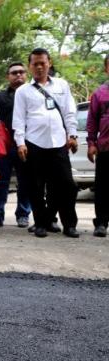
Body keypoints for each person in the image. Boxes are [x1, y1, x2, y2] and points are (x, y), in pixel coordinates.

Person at [13, 48, 79, 238]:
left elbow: (69, 112)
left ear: (49, 63)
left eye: (43, 62)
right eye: (35, 63)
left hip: (59, 143)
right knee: (36, 186)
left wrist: (72, 135)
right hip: (34, 143)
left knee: (66, 185)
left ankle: (69, 225)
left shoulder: (62, 85)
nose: (39, 66)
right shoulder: (23, 91)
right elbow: (18, 119)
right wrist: (20, 143)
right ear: (30, 66)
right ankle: (41, 223)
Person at [0, 62, 32, 228]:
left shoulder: (33, 95)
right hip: (5, 146)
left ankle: (23, 214)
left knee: (25, 181)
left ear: (26, 74)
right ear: (8, 77)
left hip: (27, 145)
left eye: (21, 72)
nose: (18, 75)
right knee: (1, 182)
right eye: (14, 73)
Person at [86, 54, 109, 238]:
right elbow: (92, 120)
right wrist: (91, 143)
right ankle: (101, 222)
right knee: (102, 187)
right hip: (105, 148)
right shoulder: (100, 93)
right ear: (106, 69)